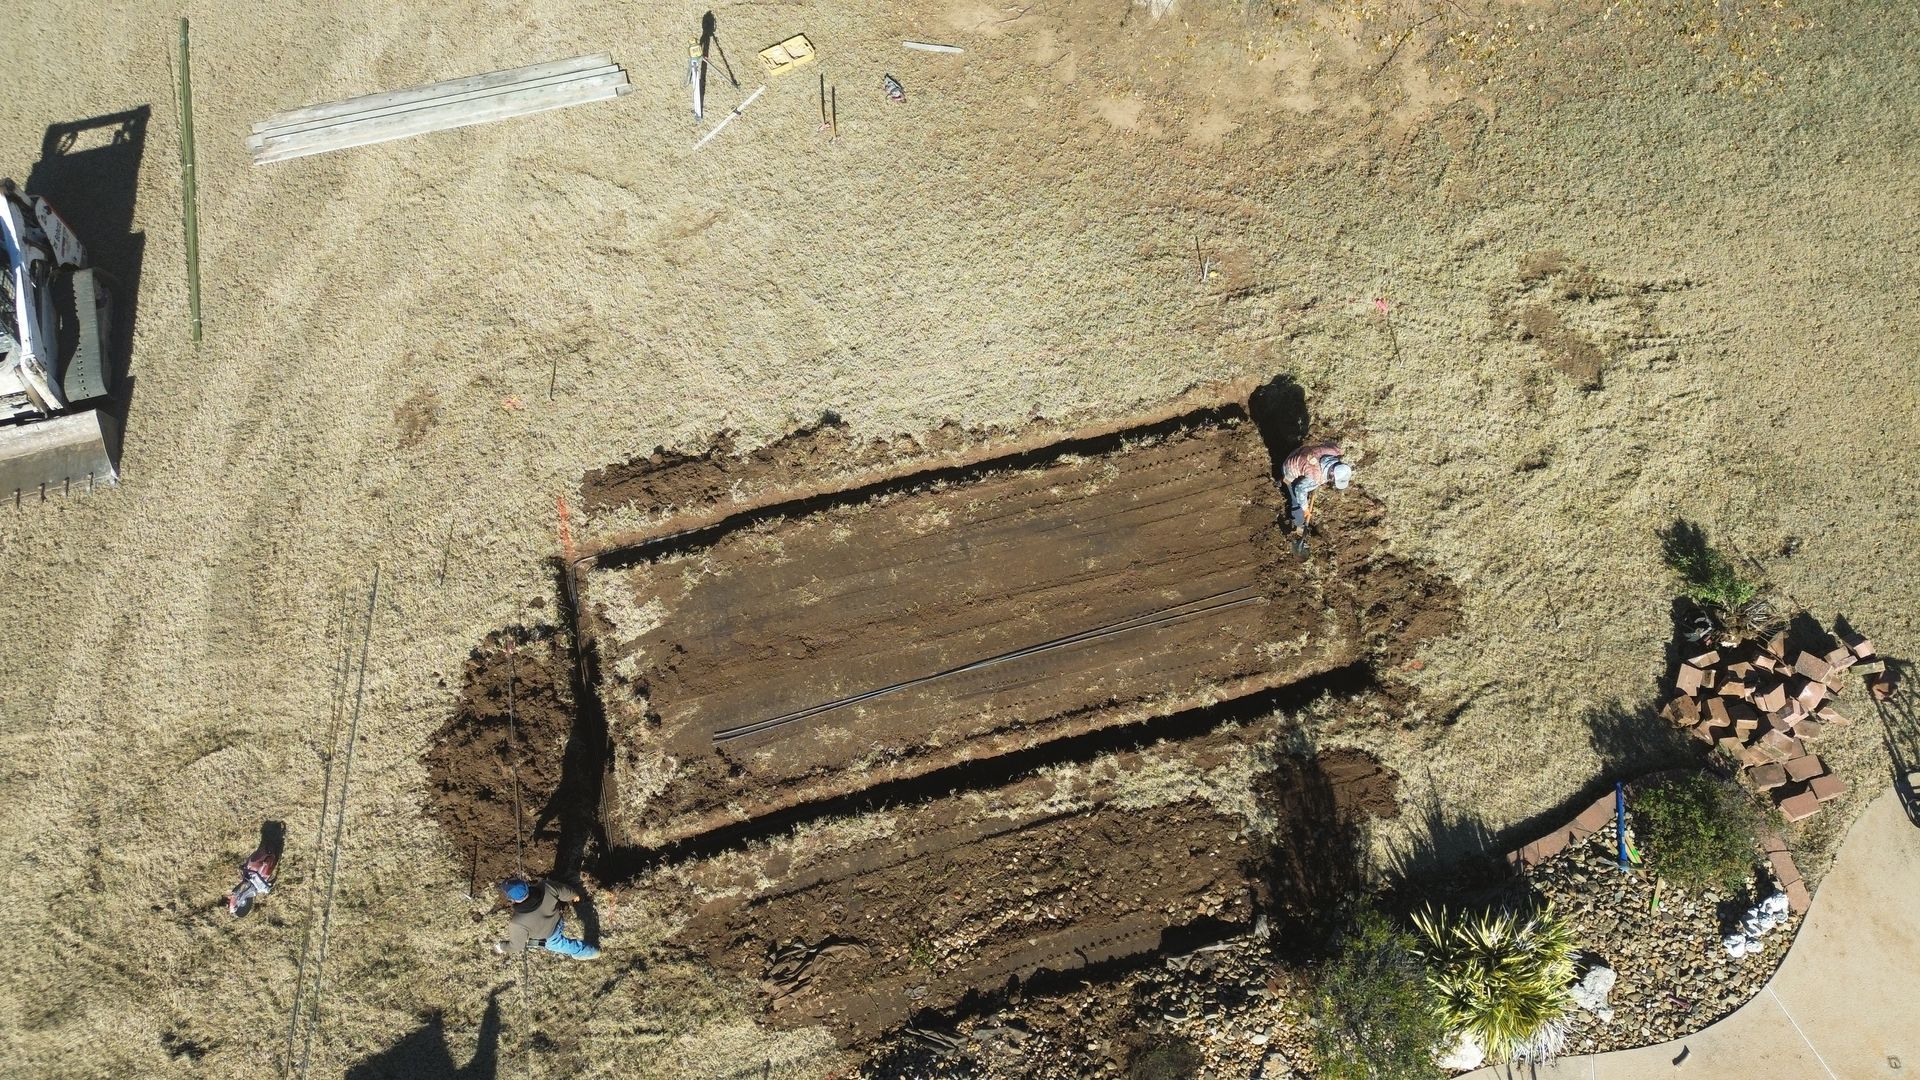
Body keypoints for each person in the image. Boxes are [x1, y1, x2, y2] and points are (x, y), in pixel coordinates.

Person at [492, 876, 600, 960]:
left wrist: (502, 946)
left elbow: (517, 946)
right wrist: (574, 895)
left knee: (564, 946)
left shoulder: (516, 923)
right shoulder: (547, 887)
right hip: (558, 920)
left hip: (550, 937)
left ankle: (590, 952)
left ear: (511, 899)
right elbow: (564, 890)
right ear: (526, 885)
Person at [1280, 442, 1352, 530]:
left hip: (1299, 453)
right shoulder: (1316, 477)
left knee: (1306, 476)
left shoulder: (1334, 451)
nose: (1332, 482)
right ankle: (1297, 523)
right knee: (1296, 502)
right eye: (1333, 480)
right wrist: (1305, 509)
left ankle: (1282, 480)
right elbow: (1300, 489)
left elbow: (1331, 444)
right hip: (1288, 468)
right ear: (1332, 473)